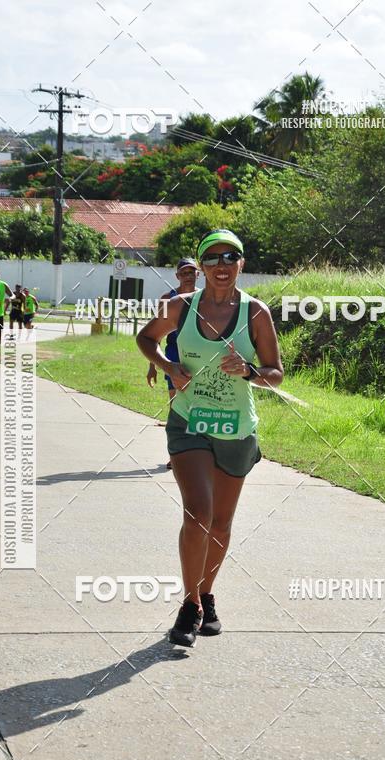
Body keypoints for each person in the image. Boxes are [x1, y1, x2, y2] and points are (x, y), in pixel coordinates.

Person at [137, 229, 283, 647]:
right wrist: (167, 365)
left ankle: (206, 592)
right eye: (213, 258)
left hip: (236, 429)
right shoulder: (179, 307)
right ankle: (189, 606)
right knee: (198, 513)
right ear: (200, 267)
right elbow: (146, 338)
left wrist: (250, 372)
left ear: (242, 264)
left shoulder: (256, 314)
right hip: (189, 422)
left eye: (230, 257)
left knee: (220, 523)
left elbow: (275, 374)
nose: (221, 266)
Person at [146, 258, 199, 469]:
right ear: (177, 276)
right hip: (173, 356)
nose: (188, 275)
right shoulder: (167, 299)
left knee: (199, 405)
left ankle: (197, 454)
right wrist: (152, 365)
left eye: (192, 271)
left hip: (198, 356)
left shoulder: (206, 298)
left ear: (199, 274)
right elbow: (153, 336)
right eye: (184, 272)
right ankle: (176, 455)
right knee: (176, 406)